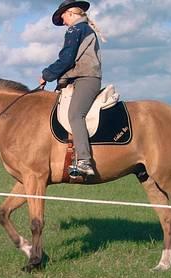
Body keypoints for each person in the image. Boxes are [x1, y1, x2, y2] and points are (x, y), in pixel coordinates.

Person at [39, 0, 104, 176]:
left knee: (75, 115)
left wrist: (47, 75)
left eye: (63, 18)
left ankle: (84, 160)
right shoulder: (83, 29)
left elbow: (67, 59)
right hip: (76, 79)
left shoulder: (75, 29)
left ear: (70, 13)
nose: (63, 22)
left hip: (86, 79)